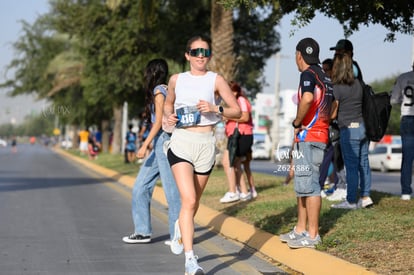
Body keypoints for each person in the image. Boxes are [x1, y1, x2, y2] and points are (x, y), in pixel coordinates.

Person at [164, 35, 241, 274]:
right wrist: (170, 115)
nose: (201, 56)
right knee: (188, 200)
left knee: (193, 202)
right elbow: (168, 103)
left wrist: (215, 108)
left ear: (209, 56)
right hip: (182, 143)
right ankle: (190, 261)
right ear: (187, 55)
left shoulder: (216, 80)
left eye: (205, 52)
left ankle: (180, 226)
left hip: (206, 145)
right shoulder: (177, 79)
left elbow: (237, 111)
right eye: (196, 52)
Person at [279, 37, 333, 249]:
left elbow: (308, 98)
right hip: (318, 135)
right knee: (303, 186)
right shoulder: (325, 76)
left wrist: (298, 121)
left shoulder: (308, 74)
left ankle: (312, 235)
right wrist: (324, 123)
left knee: (310, 187)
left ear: (298, 55)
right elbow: (334, 104)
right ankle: (300, 229)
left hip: (310, 137)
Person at [122, 59, 181, 247]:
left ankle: (178, 236)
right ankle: (142, 231)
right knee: (140, 186)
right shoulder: (164, 89)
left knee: (171, 191)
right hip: (159, 142)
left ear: (152, 72)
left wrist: (144, 145)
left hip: (163, 141)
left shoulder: (159, 91)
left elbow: (158, 123)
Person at [330, 51, 373, 209]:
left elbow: (333, 112)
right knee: (364, 163)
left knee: (352, 166)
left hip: (348, 130)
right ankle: (366, 197)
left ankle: (351, 201)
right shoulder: (359, 85)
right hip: (362, 128)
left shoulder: (337, 87)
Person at [220, 81, 255, 203]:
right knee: (235, 164)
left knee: (227, 162)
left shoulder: (240, 101)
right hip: (237, 135)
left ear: (234, 92)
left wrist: (228, 117)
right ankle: (244, 192)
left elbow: (245, 117)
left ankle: (233, 191)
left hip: (241, 135)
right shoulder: (236, 102)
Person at [390, 61, 414, 201]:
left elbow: (393, 100)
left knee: (407, 157)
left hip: (408, 118)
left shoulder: (403, 78)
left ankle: (406, 192)